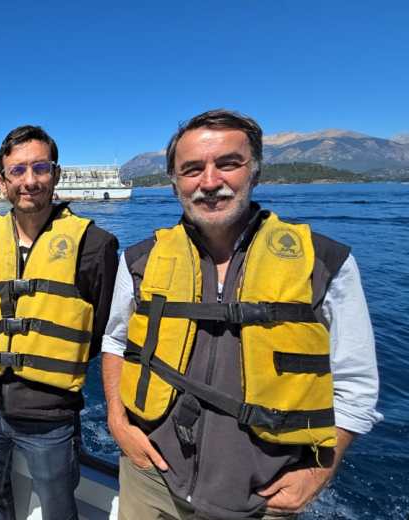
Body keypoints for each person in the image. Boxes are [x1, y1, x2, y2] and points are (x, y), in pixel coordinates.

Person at [101, 109, 382, 519]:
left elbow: (356, 383)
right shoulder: (140, 260)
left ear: (255, 171)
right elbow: (115, 340)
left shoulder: (324, 263)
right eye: (192, 169)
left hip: (262, 495)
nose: (209, 181)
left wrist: (319, 471)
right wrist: (117, 421)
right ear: (174, 182)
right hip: (150, 478)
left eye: (228, 163)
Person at [0, 125, 119, 520]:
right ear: (3, 182)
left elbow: (104, 332)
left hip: (50, 418)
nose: (29, 181)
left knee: (57, 507)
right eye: (17, 170)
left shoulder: (95, 245)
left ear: (56, 174)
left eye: (40, 168)